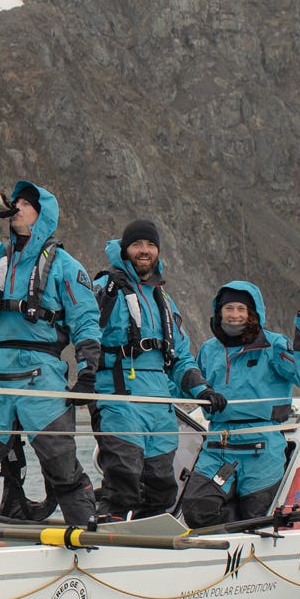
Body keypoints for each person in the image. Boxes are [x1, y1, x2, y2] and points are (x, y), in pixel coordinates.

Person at [0, 181, 100, 526]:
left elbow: (86, 321)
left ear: (42, 216)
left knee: (61, 465)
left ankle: (87, 537)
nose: (18, 207)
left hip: (42, 377)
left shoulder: (66, 267)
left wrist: (87, 374)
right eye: (17, 202)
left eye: (26, 204)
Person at [91, 218, 226, 520]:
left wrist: (202, 390)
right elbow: (84, 334)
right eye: (138, 244)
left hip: (159, 404)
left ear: (158, 252)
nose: (144, 250)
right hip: (119, 397)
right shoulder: (105, 288)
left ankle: (144, 539)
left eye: (150, 245)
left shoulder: (164, 300)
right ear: (126, 249)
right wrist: (84, 379)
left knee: (162, 488)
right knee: (123, 480)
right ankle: (103, 533)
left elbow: (180, 357)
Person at [181, 280, 300, 528]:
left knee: (255, 515)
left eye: (241, 309)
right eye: (229, 308)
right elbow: (184, 387)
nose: (234, 315)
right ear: (219, 312)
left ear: (252, 313)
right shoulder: (208, 349)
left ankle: (242, 546)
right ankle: (227, 545)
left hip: (263, 447)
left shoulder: (274, 345)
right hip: (218, 445)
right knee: (196, 508)